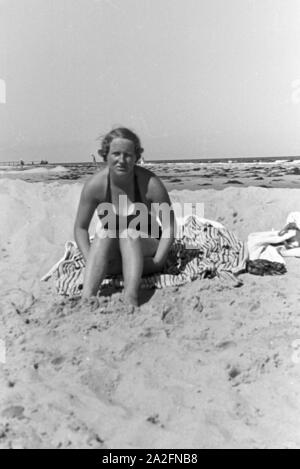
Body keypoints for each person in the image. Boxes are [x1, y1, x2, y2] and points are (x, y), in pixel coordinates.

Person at [74, 128, 175, 306]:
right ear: (104, 155)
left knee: (129, 234)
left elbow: (169, 226)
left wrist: (159, 261)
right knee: (104, 233)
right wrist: (91, 259)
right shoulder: (95, 186)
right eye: (116, 154)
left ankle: (130, 297)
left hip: (147, 250)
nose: (122, 160)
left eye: (128, 155)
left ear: (137, 156)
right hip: (114, 260)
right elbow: (80, 228)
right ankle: (87, 297)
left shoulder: (150, 184)